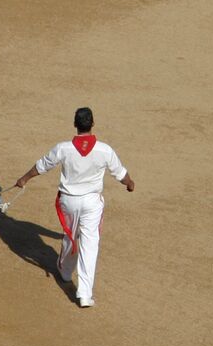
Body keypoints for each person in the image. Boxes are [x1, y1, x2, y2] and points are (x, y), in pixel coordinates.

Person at [15, 107, 135, 308]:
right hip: (91, 202)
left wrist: (23, 179)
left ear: (75, 124)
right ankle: (85, 294)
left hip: (69, 201)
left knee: (70, 236)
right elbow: (120, 173)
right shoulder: (105, 150)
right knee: (90, 244)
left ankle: (64, 271)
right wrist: (130, 184)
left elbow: (43, 165)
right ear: (93, 124)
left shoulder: (64, 148)